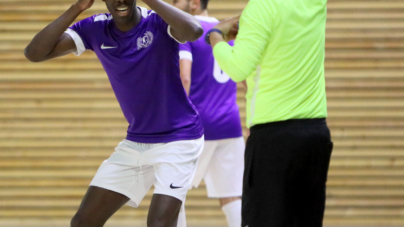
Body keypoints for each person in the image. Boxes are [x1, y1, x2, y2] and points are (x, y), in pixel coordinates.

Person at [24, 0, 205, 226]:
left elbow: (194, 30)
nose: (119, 0)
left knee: (159, 223)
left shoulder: (157, 21)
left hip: (180, 139)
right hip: (137, 142)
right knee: (83, 222)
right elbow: (34, 53)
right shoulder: (95, 27)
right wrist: (77, 8)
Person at [205, 0, 333, 226]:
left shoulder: (261, 7)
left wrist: (215, 35)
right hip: (315, 135)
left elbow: (237, 68)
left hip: (274, 138)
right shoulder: (314, 3)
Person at [172, 0, 244, 226]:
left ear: (194, 4)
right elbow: (244, 78)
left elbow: (184, 78)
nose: (171, 4)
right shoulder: (227, 30)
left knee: (172, 191)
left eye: (176, 0)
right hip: (230, 124)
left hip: (197, 125)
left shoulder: (188, 31)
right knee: (231, 195)